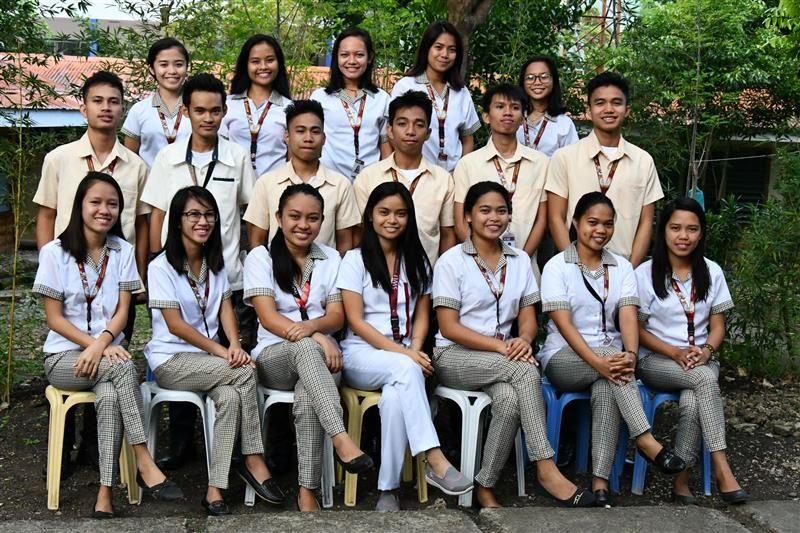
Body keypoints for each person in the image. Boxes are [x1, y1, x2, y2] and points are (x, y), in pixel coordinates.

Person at [432, 181, 594, 508]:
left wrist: (523, 339)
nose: (495, 217)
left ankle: (485, 484)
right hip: (454, 357)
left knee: (508, 399)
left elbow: (528, 317)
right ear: (467, 217)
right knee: (524, 373)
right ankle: (545, 467)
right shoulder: (451, 261)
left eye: (502, 210)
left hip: (503, 359)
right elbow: (448, 328)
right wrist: (502, 348)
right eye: (485, 210)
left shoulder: (519, 260)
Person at [34, 173, 183, 518]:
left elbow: (122, 310)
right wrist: (93, 346)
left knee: (113, 391)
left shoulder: (123, 251)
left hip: (105, 356)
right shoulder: (54, 253)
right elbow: (54, 319)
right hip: (64, 358)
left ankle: (105, 493)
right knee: (122, 367)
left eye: (112, 204)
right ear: (80, 206)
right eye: (96, 202)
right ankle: (143, 458)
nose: (104, 210)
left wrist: (100, 343)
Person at [34, 70, 150, 472]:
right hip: (70, 279)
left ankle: (98, 451)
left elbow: (143, 225)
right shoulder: (59, 158)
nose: (106, 107)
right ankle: (65, 451)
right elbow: (46, 215)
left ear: (123, 109)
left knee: (109, 357)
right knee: (84, 359)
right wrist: (52, 263)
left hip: (116, 280)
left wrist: (140, 280)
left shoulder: (136, 166)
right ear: (83, 106)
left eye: (114, 101)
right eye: (98, 100)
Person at [538, 192, 685, 507]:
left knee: (608, 383)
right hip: (564, 358)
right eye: (592, 222)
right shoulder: (556, 266)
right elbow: (564, 325)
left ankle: (600, 481)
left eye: (607, 224)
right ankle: (645, 440)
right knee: (609, 361)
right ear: (575, 223)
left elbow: (629, 315)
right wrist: (601, 360)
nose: (600, 230)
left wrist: (631, 354)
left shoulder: (620, 267)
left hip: (610, 363)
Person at [142, 72, 256, 470]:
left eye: (215, 110)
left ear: (225, 112)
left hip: (227, 277)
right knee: (193, 353)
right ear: (185, 112)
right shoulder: (168, 157)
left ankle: (229, 444)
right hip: (177, 272)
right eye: (200, 110)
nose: (208, 118)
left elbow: (249, 213)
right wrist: (158, 267)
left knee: (232, 354)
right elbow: (156, 213)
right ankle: (182, 445)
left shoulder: (237, 157)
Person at [145, 186, 284, 515]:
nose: (202, 221)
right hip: (171, 360)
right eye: (193, 214)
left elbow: (225, 311)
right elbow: (176, 325)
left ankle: (214, 490)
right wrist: (224, 353)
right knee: (245, 370)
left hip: (209, 360)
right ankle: (252, 458)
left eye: (209, 215)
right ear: (177, 221)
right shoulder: (161, 266)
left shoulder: (215, 263)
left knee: (231, 396)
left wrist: (234, 344)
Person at [336, 182, 472, 511]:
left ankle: (388, 489)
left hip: (403, 357)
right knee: (406, 369)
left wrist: (414, 347)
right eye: (384, 212)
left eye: (400, 213)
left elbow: (423, 315)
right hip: (361, 354)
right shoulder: (355, 260)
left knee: (397, 397)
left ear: (409, 218)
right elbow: (356, 321)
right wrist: (407, 354)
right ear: (370, 216)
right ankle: (435, 459)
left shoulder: (416, 260)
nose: (392, 220)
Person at [244, 184, 374, 511]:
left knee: (307, 398)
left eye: (313, 218)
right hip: (275, 357)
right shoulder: (261, 256)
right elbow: (269, 318)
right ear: (278, 218)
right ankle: (341, 438)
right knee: (305, 350)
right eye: (295, 217)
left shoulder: (330, 258)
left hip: (318, 363)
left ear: (321, 221)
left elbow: (337, 315)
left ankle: (307, 491)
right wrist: (315, 335)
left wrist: (316, 330)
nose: (304, 225)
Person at [636, 197, 747, 505]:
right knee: (703, 381)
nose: (683, 236)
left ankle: (681, 481)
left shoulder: (712, 271)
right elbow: (638, 332)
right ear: (663, 232)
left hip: (700, 360)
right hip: (657, 360)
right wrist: (674, 352)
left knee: (693, 398)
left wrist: (707, 351)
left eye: (691, 229)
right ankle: (722, 467)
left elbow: (718, 326)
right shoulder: (645, 274)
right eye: (675, 228)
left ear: (701, 234)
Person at [546, 71, 664, 266]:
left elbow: (646, 222)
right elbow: (555, 218)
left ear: (627, 110)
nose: (608, 109)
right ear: (589, 110)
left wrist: (630, 270)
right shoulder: (565, 157)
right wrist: (574, 267)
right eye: (600, 103)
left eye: (616, 103)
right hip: (575, 269)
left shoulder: (643, 161)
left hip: (624, 268)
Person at [453, 84, 548, 276]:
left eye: (514, 107)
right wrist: (483, 259)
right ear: (486, 116)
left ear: (523, 117)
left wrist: (521, 261)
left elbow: (542, 219)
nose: (507, 113)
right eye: (499, 107)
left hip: (526, 269)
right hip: (477, 269)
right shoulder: (468, 164)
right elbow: (460, 220)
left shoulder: (542, 163)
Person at [244, 100, 360, 255]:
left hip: (325, 276)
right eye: (300, 131)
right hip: (276, 275)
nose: (308, 138)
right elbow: (257, 242)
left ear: (324, 138)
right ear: (287, 136)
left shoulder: (341, 185)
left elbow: (345, 245)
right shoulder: (266, 183)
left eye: (315, 131)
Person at [353, 90, 456, 265]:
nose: (410, 131)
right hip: (377, 278)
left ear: (428, 132)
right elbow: (359, 233)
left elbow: (447, 235)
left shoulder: (443, 180)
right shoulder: (368, 178)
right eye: (402, 123)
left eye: (419, 125)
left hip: (426, 281)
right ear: (390, 131)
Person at [390, 21, 480, 172]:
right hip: (416, 173)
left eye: (451, 50)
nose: (445, 55)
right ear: (427, 49)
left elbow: (467, 139)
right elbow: (393, 133)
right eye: (438, 47)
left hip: (453, 178)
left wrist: (461, 174)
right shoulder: (405, 86)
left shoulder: (461, 91)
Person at [311, 28, 391, 180]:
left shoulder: (382, 99)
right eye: (344, 55)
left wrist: (386, 181)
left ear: (370, 57)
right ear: (336, 57)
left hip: (370, 182)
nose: (352, 61)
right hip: (329, 182)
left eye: (359, 55)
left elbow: (385, 144)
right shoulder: (320, 97)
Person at [221, 34, 293, 176]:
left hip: (274, 190)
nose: (263, 67)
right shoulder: (228, 105)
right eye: (255, 61)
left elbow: (293, 158)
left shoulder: (290, 108)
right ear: (245, 65)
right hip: (234, 188)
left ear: (279, 63)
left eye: (270, 60)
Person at [122, 37, 192, 168]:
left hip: (191, 185)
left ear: (187, 67)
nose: (172, 71)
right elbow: (130, 161)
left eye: (178, 64)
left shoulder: (198, 109)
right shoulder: (139, 110)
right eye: (164, 64)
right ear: (152, 69)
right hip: (149, 186)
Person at [516, 56, 578, 157]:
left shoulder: (564, 124)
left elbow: (572, 162)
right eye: (530, 78)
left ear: (554, 81)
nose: (537, 82)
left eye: (544, 77)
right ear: (523, 82)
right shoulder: (513, 117)